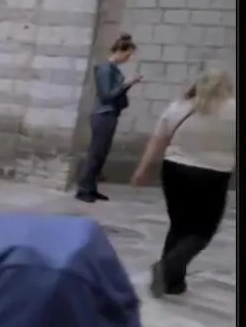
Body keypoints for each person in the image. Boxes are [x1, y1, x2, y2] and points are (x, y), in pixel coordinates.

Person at [131, 66, 237, 298]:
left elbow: (158, 140)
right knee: (203, 230)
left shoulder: (178, 107)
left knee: (179, 225)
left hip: (174, 170)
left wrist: (142, 169)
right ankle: (166, 268)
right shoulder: (233, 110)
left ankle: (173, 282)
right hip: (213, 174)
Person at [75, 33, 141, 202]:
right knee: (96, 153)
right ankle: (83, 188)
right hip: (103, 114)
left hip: (110, 114)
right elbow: (106, 95)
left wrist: (127, 86)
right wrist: (126, 84)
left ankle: (91, 187)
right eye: (127, 54)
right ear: (120, 51)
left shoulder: (112, 69)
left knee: (101, 153)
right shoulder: (105, 68)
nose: (128, 58)